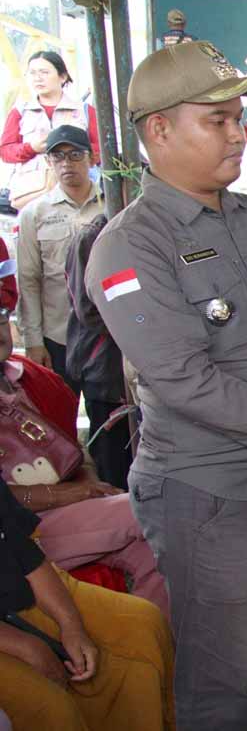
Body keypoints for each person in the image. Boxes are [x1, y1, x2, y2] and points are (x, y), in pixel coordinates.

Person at [86, 40, 247, 729]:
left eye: (240, 118)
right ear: (159, 130)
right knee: (217, 676)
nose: (240, 134)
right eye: (218, 120)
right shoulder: (130, 244)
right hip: (208, 492)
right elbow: (182, 378)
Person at [0, 306, 167, 616]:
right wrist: (68, 494)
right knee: (146, 510)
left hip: (63, 512)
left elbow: (71, 454)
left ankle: (156, 654)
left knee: (155, 551)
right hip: (17, 531)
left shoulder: (27, 378)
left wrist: (88, 485)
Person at [0, 480, 175, 730]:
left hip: (18, 593)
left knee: (143, 624)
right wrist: (26, 646)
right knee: (48, 706)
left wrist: (71, 626)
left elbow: (23, 552)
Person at [16, 125, 105, 394]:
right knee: (57, 419)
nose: (67, 163)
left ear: (90, 157)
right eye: (58, 156)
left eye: (75, 154)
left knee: (109, 423)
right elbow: (28, 281)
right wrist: (33, 340)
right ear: (48, 162)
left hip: (104, 334)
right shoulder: (34, 214)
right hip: (57, 336)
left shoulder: (112, 205)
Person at [65, 213, 133, 489]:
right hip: (108, 372)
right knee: (113, 467)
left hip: (147, 368)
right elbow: (89, 310)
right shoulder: (93, 237)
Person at [1, 52, 99, 211]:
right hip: (32, 195)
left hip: (79, 193)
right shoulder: (20, 111)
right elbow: (5, 151)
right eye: (32, 73)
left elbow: (101, 148)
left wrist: (73, 154)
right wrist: (31, 148)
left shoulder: (85, 111)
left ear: (63, 76)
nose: (38, 78)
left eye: (44, 72)